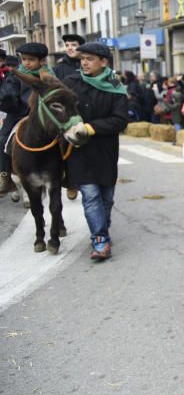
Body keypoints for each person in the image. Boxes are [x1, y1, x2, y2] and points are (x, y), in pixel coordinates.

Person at [61, 43, 129, 261]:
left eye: (90, 59)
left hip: (105, 150)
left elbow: (120, 120)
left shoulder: (115, 86)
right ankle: (100, 239)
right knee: (90, 195)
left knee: (106, 197)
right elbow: (59, 109)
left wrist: (91, 128)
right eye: (83, 58)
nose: (84, 62)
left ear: (104, 62)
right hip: (78, 150)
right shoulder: (71, 82)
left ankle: (103, 228)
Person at [1, 43, 50, 196]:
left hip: (44, 114)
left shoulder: (49, 76)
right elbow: (8, 92)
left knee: (64, 136)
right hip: (18, 114)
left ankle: (68, 177)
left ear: (41, 61)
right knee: (1, 138)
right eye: (24, 59)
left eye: (31, 59)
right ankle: (5, 176)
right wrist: (8, 99)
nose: (26, 63)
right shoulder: (14, 76)